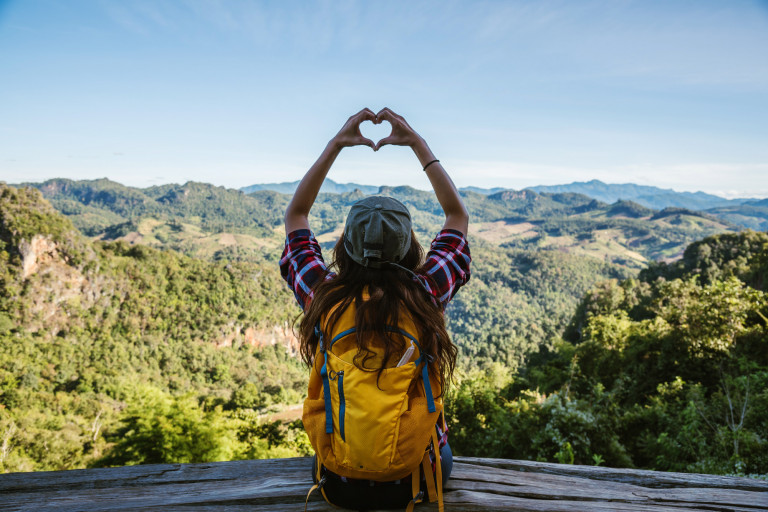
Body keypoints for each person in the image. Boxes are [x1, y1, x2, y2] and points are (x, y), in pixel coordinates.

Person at [280, 107, 471, 510]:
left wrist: (335, 145)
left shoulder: (323, 295)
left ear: (346, 245)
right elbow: (457, 215)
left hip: (340, 475)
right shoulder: (426, 292)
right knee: (440, 445)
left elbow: (296, 216)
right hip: (414, 475)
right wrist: (418, 144)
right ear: (410, 246)